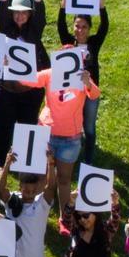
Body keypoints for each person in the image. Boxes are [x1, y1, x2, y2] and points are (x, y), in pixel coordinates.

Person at [20, 59, 101, 214]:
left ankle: (66, 217)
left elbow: (95, 94)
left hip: (70, 139)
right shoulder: (49, 74)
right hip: (46, 134)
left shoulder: (81, 76)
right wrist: (9, 65)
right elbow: (27, 79)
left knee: (64, 179)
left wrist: (88, 83)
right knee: (42, 175)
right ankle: (37, 213)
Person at [0, 0, 49, 166]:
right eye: (16, 13)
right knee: (3, 128)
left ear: (29, 14)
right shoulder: (5, 30)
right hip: (7, 90)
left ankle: (26, 162)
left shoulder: (35, 31)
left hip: (29, 92)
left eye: (23, 13)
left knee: (27, 126)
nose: (19, 16)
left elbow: (41, 17)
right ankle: (0, 162)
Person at [57, 0, 109, 164]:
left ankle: (88, 160)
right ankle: (72, 156)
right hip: (72, 92)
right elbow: (60, 26)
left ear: (89, 28)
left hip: (89, 92)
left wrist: (101, 6)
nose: (80, 30)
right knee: (73, 127)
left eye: (84, 27)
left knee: (89, 128)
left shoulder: (94, 43)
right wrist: (63, 4)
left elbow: (104, 28)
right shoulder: (68, 42)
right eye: (77, 26)